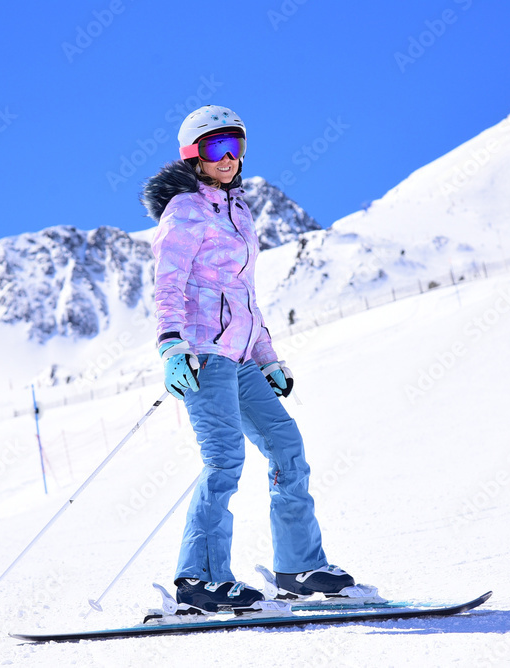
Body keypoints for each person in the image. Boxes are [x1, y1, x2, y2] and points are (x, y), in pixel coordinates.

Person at [141, 105, 355, 614]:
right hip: (202, 356)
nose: (228, 157)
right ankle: (200, 579)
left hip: (241, 359)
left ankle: (299, 567)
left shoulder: (238, 212)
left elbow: (244, 298)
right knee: (223, 460)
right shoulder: (184, 211)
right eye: (216, 147)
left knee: (287, 447)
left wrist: (267, 358)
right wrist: (172, 346)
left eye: (235, 145)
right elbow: (167, 284)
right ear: (194, 154)